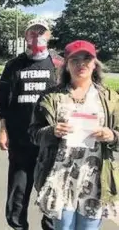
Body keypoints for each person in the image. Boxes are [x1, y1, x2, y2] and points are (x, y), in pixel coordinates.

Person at [29, 40, 119, 229]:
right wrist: (51, 132)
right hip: (60, 176)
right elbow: (33, 133)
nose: (81, 64)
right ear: (66, 65)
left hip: (95, 179)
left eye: (86, 59)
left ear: (94, 63)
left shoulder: (110, 98)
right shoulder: (51, 97)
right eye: (74, 60)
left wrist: (112, 135)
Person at [0, 18, 61, 230]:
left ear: (49, 35)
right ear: (25, 36)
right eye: (32, 32)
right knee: (18, 194)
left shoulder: (59, 64)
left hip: (52, 144)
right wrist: (3, 131)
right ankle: (17, 226)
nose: (37, 36)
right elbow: (3, 102)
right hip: (21, 141)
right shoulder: (14, 65)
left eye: (42, 32)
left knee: (52, 196)